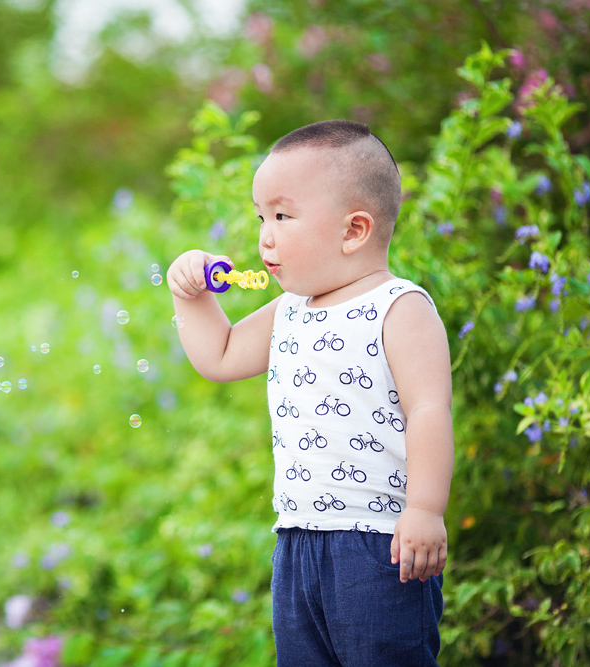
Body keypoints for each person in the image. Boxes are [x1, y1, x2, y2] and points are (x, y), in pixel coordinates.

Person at [166, 119, 453, 666]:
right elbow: (220, 356)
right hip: (296, 541)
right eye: (261, 217)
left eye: (282, 216)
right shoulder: (290, 310)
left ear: (354, 231)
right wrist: (191, 296)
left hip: (379, 543)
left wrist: (424, 509)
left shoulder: (399, 308)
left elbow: (428, 411)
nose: (265, 236)